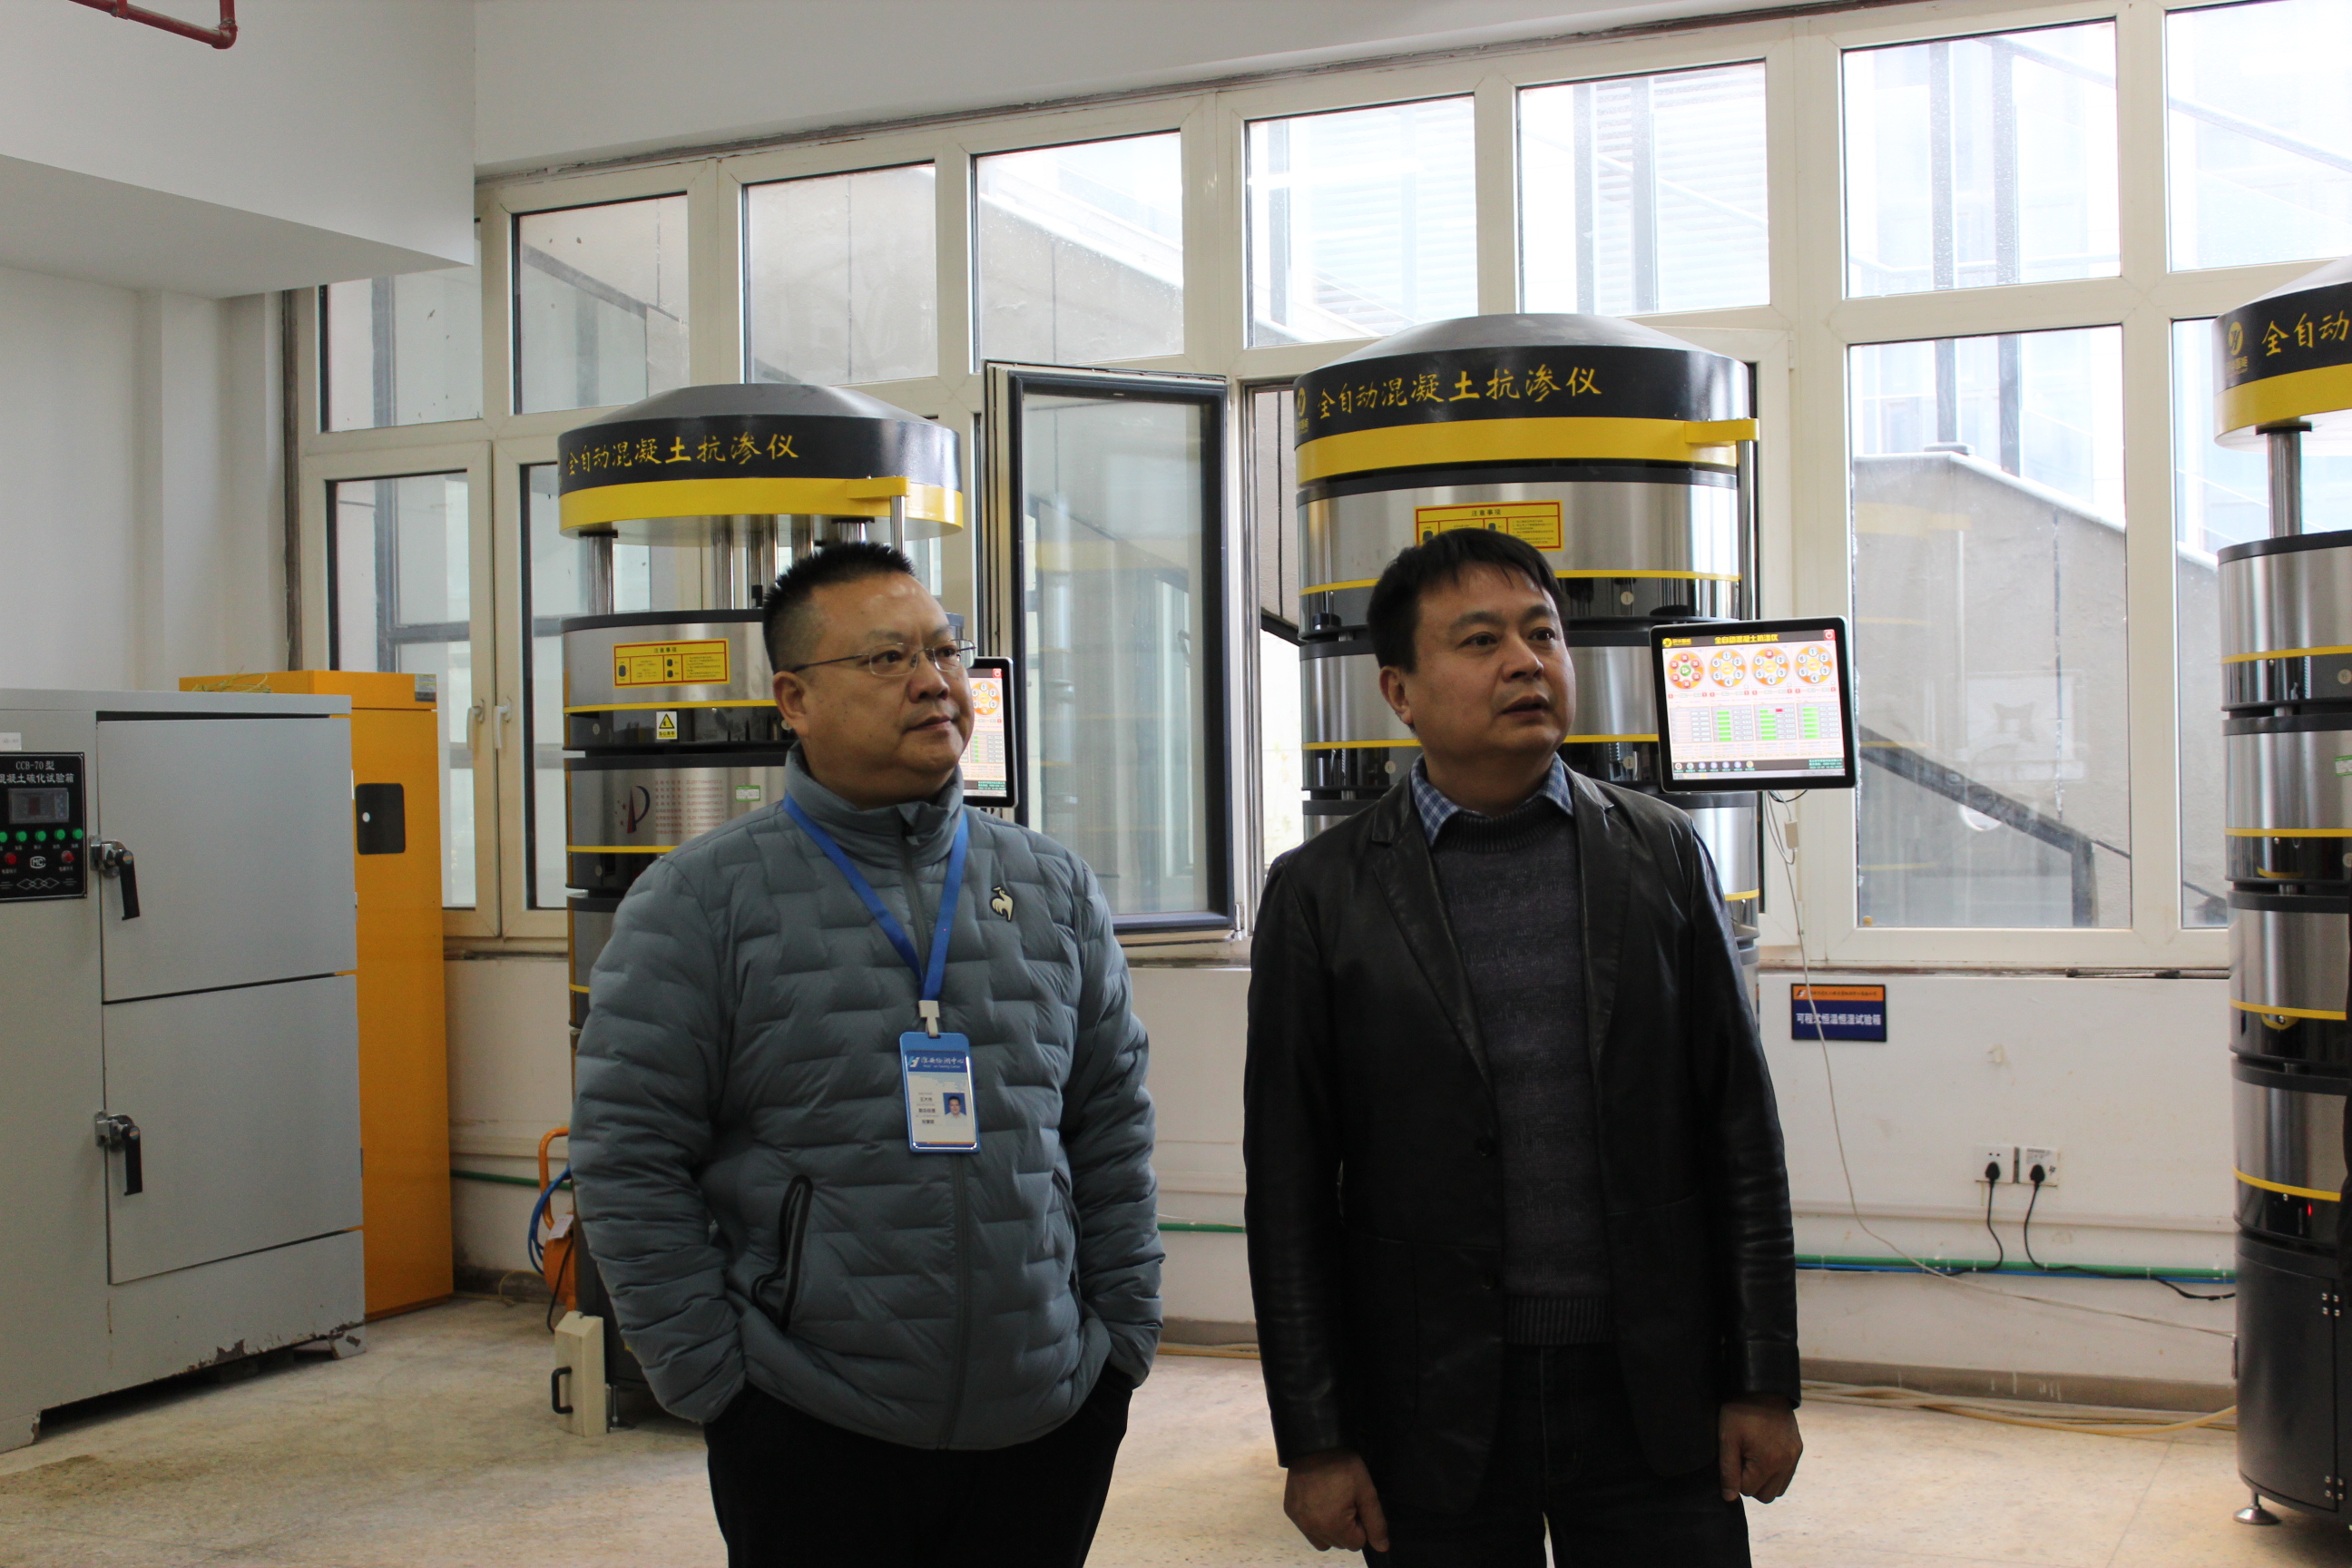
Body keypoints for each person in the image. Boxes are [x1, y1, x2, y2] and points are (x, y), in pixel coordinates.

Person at [571, 542, 1161, 1568]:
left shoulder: (1051, 885)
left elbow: (1109, 1122)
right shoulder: (701, 901)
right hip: (808, 1423)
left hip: (1047, 1413)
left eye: (944, 651)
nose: (933, 682)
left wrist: (1121, 1344)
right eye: (888, 659)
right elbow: (627, 1157)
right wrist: (714, 1381)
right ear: (793, 699)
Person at [1244, 527, 1800, 1565]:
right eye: (1481, 640)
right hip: (1431, 1397)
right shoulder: (1321, 895)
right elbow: (1288, 1192)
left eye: (1543, 634)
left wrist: (1763, 1379)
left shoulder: (1663, 855)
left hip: (1652, 1389)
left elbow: (1741, 1138)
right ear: (1400, 692)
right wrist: (1315, 1439)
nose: (1525, 662)